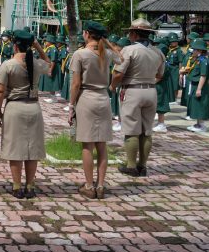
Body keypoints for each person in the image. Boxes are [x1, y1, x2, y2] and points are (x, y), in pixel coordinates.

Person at [0, 30, 51, 199]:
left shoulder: (8, 65)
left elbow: (0, 90)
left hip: (15, 108)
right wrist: (38, 47)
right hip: (34, 107)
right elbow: (48, 63)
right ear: (30, 46)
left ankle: (17, 186)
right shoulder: (35, 63)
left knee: (15, 149)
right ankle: (30, 185)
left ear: (15, 45)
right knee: (32, 149)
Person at [110, 19, 165, 177]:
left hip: (132, 91)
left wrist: (113, 86)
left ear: (134, 33)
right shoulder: (158, 51)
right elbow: (160, 74)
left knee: (131, 130)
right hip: (151, 90)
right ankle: (143, 165)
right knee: (146, 131)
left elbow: (119, 73)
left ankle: (131, 165)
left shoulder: (129, 50)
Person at [69, 21, 113, 199]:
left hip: (86, 97)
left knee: (87, 144)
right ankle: (101, 185)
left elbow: (76, 84)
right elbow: (123, 60)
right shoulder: (108, 54)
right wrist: (107, 43)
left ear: (86, 34)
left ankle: (89, 185)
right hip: (103, 97)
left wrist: (71, 105)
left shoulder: (80, 54)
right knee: (102, 144)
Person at [183, 38, 209, 133]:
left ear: (199, 51)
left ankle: (202, 125)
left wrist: (199, 89)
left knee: (200, 105)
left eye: (195, 49)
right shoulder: (198, 60)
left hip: (201, 86)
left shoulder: (203, 61)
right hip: (196, 85)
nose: (193, 51)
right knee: (196, 105)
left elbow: (203, 76)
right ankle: (198, 124)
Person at [39, 34, 61, 102]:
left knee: (52, 82)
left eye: (47, 41)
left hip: (52, 67)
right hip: (47, 67)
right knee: (49, 82)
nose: (45, 42)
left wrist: (50, 70)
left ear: (50, 42)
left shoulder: (53, 49)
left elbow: (53, 60)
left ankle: (53, 98)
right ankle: (51, 97)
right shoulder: (49, 48)